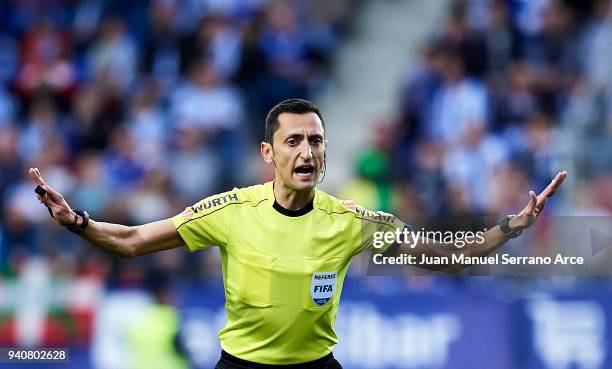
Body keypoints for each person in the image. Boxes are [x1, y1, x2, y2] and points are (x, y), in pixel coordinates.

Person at [29, 98, 567, 368]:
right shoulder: (231, 209)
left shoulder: (350, 220)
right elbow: (130, 243)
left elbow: (447, 254)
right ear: (269, 154)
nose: (306, 151)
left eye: (316, 140)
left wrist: (510, 228)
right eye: (293, 141)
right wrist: (77, 222)